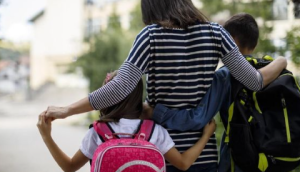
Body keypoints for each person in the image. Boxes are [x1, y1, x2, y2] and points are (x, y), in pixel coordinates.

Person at [44, 0, 287, 171]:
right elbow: (255, 82)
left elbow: (120, 87)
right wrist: (281, 60)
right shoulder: (216, 33)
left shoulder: (150, 35)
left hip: (159, 155)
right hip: (204, 156)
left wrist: (67, 110)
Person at [143, 13, 281, 172]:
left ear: (230, 40)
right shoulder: (271, 71)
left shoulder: (225, 76)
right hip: (270, 160)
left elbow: (197, 118)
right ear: (254, 44)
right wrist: (281, 60)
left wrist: (155, 112)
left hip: (236, 160)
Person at [37, 71, 217, 172]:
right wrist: (206, 135)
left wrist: (47, 137)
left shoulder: (98, 132)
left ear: (105, 98)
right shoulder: (154, 131)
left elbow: (69, 167)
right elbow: (184, 163)